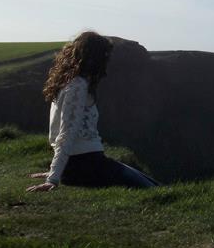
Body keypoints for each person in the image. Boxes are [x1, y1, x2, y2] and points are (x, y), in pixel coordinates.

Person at [26, 31, 159, 192]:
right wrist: (53, 177)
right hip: (86, 166)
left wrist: (58, 171)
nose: (106, 61)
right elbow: (66, 133)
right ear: (93, 58)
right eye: (104, 56)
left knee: (149, 182)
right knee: (152, 188)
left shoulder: (69, 83)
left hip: (87, 163)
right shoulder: (77, 86)